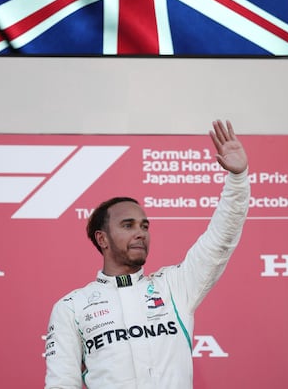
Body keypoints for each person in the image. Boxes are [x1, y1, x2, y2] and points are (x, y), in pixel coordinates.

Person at [44, 120, 250, 389]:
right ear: (102, 239)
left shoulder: (175, 286)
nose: (140, 233)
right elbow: (61, 384)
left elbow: (220, 241)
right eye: (127, 226)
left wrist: (237, 179)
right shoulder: (72, 307)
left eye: (144, 226)